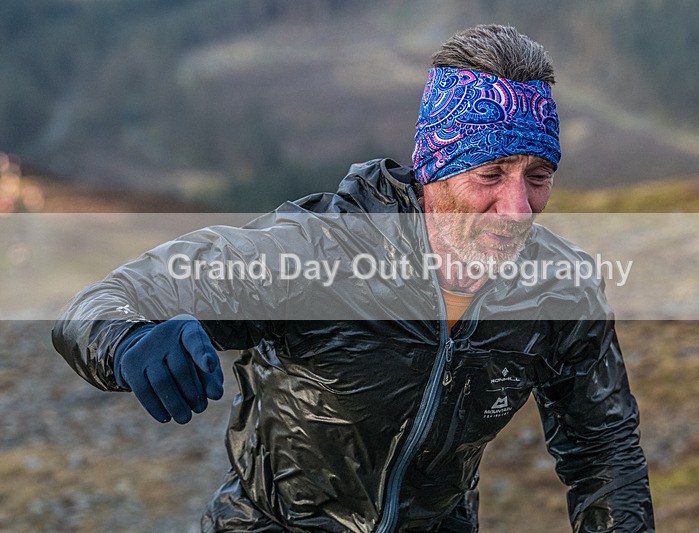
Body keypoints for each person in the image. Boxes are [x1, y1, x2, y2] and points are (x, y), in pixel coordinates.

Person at [52, 24, 655, 532]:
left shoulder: (560, 289)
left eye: (539, 176)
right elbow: (105, 301)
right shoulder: (316, 252)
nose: (518, 207)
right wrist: (128, 341)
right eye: (492, 174)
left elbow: (604, 454)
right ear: (433, 169)